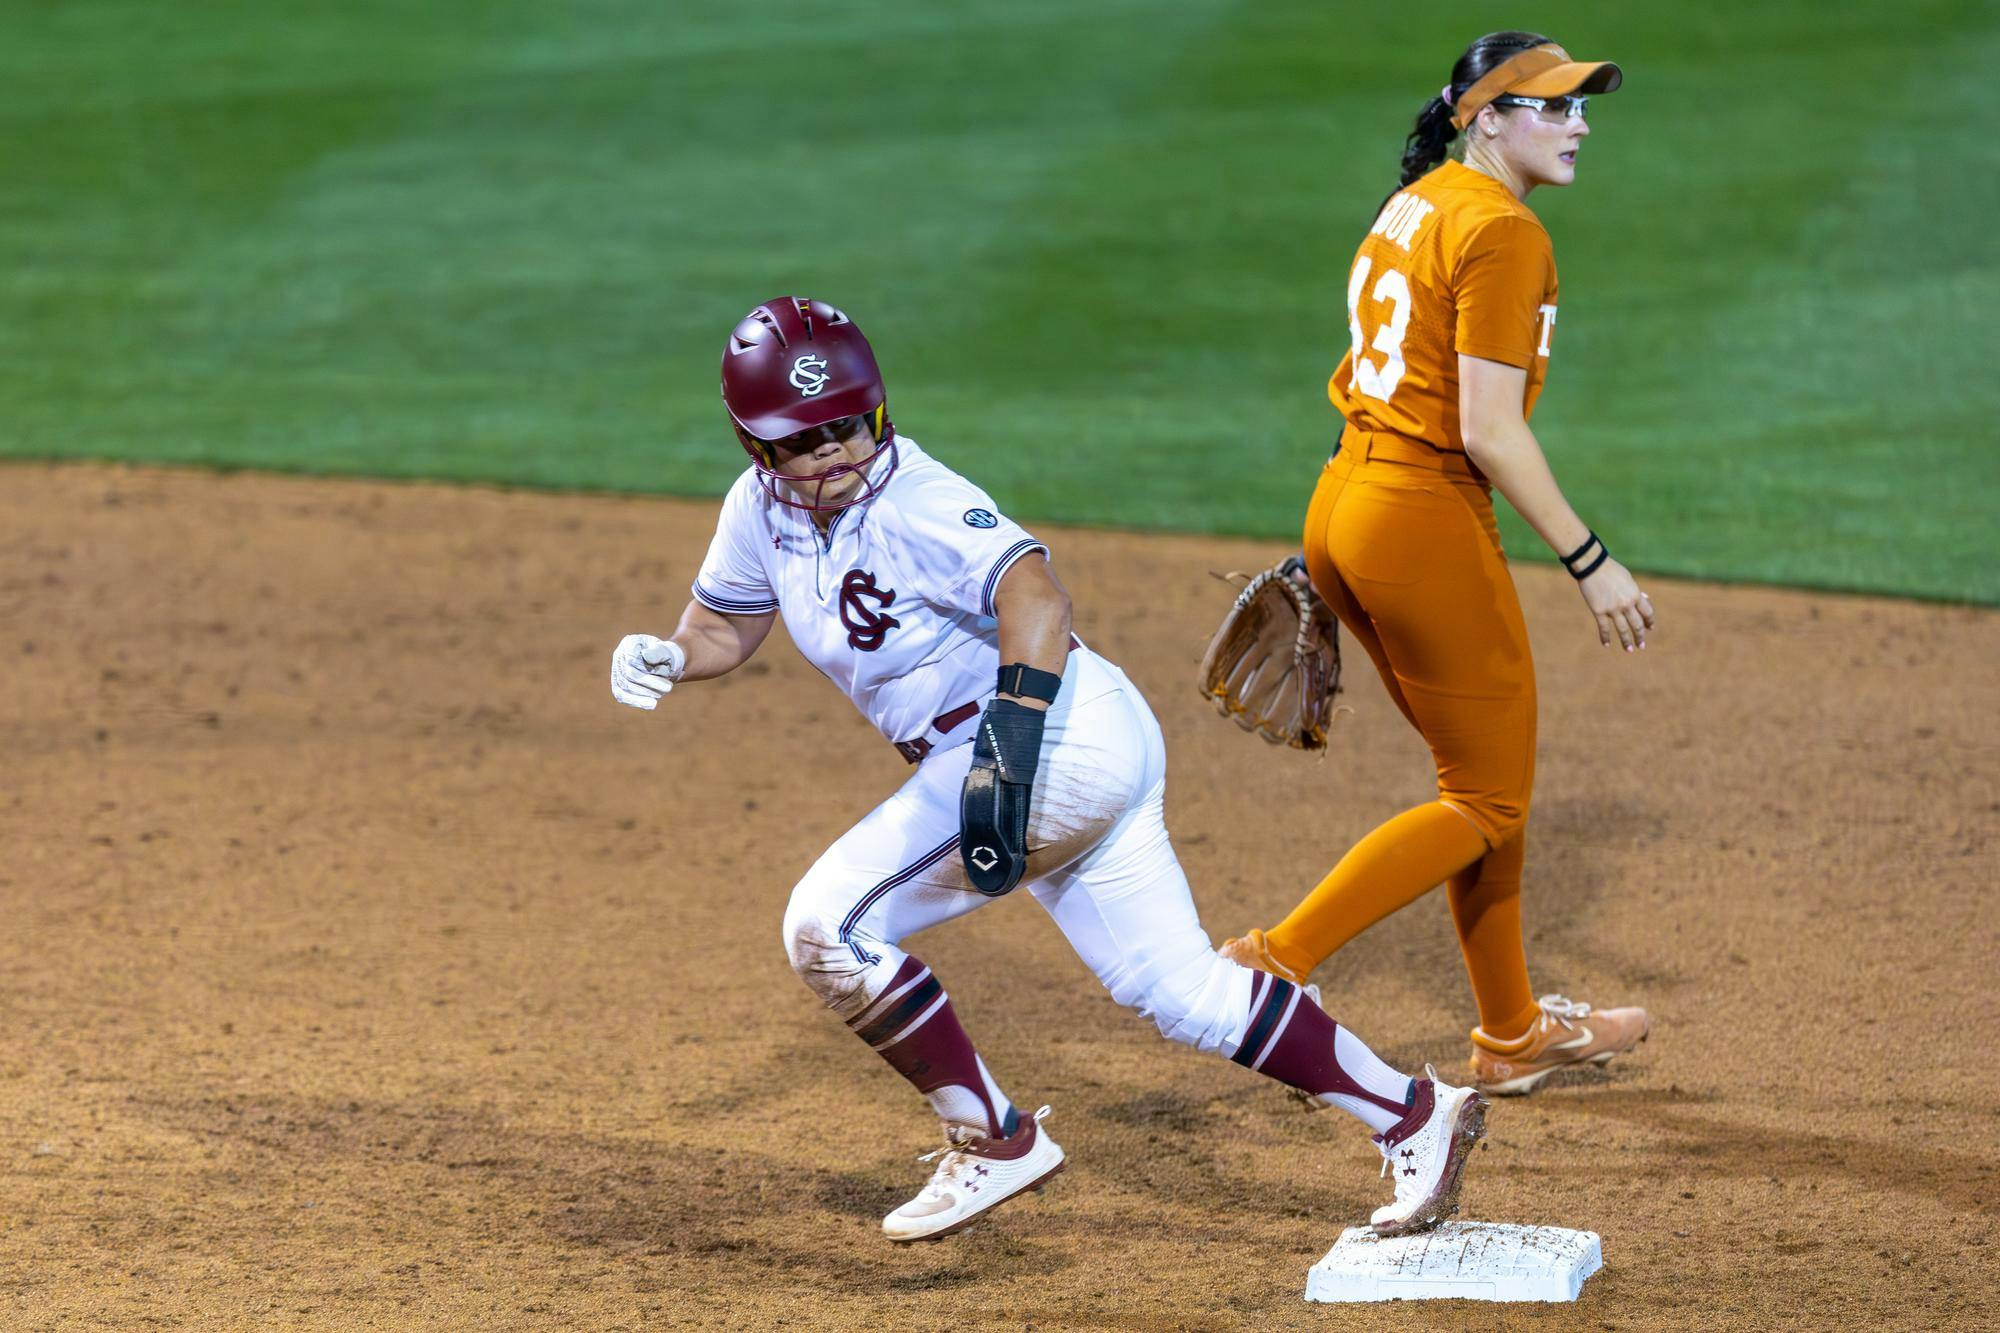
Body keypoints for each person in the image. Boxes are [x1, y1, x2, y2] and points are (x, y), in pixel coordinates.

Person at [611, 297, 1488, 1243]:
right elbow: (727, 621)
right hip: (1072, 740)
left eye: (848, 426)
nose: (834, 454)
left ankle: (994, 1139)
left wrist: (1009, 747)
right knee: (1180, 990)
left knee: (827, 927)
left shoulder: (917, 499)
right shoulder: (757, 512)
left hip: (1043, 738)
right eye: (803, 440)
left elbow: (1036, 594)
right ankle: (1414, 1115)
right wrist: (672, 653)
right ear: (756, 447)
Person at [1219, 33, 1654, 1096]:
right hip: (1414, 515)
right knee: (1487, 802)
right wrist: (1589, 560)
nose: (1576, 125)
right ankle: (1262, 965)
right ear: (1485, 118)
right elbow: (1489, 431)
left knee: (1480, 785)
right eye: (1549, 108)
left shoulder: (1412, 202)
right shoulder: (1501, 232)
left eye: (1578, 107)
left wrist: (1341, 549)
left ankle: (1510, 1034)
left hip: (1349, 501)